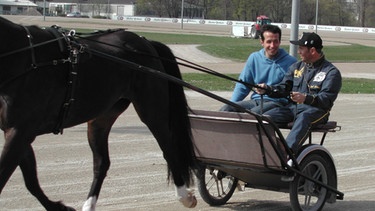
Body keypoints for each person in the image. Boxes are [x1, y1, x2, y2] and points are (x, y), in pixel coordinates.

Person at [257, 32, 342, 154]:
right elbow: (283, 88)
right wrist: (267, 89)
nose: (298, 52)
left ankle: (287, 154)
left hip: (317, 111)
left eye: (301, 49)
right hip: (293, 109)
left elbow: (326, 100)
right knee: (264, 118)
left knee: (304, 117)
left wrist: (305, 98)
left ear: (312, 50)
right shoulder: (296, 67)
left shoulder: (331, 72)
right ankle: (267, 151)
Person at [220, 24, 297, 114]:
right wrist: (232, 104)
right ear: (262, 41)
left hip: (277, 103)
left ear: (279, 41)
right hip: (256, 101)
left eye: (275, 41)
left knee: (252, 114)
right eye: (269, 42)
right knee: (226, 109)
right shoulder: (254, 58)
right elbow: (243, 85)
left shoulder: (291, 62)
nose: (272, 45)